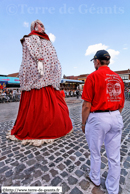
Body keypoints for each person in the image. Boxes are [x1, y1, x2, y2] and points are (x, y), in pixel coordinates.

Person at [7, 19, 73, 146]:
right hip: (38, 75)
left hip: (48, 77)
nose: (43, 27)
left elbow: (53, 57)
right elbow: (34, 54)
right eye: (40, 25)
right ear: (34, 26)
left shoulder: (47, 40)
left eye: (43, 25)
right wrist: (40, 60)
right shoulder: (31, 38)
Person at [81, 50, 125, 194]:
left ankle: (95, 178)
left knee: (95, 152)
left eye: (94, 61)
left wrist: (83, 123)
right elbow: (121, 104)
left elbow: (86, 105)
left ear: (97, 61)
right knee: (114, 157)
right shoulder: (118, 78)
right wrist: (112, 115)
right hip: (115, 116)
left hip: (98, 118)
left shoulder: (92, 76)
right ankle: (113, 188)